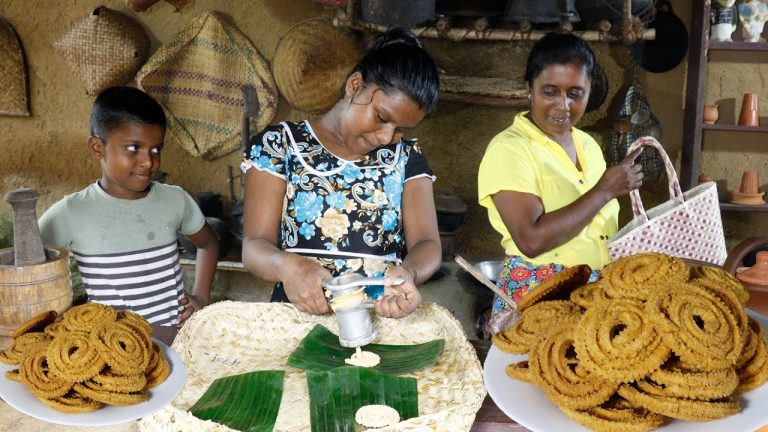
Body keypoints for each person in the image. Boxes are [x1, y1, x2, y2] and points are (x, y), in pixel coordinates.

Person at [241, 28, 441, 319]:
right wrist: (288, 267)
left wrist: (409, 272)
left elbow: (427, 243)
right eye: (381, 117)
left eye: (400, 129)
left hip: (380, 321)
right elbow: (254, 246)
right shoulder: (279, 145)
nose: (386, 137)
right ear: (355, 85)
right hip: (298, 320)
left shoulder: (406, 157)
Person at [477, 33, 643, 332]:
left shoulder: (588, 145)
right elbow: (531, 240)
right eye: (550, 91)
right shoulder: (510, 149)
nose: (563, 105)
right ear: (529, 88)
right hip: (538, 296)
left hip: (593, 295)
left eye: (575, 93)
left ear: (590, 90)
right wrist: (605, 190)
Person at [39, 86, 219, 327]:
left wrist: (201, 297)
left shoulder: (175, 199)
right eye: (134, 148)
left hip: (175, 337)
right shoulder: (71, 212)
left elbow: (209, 243)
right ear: (97, 147)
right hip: (110, 342)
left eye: (156, 149)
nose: (148, 161)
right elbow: (29, 269)